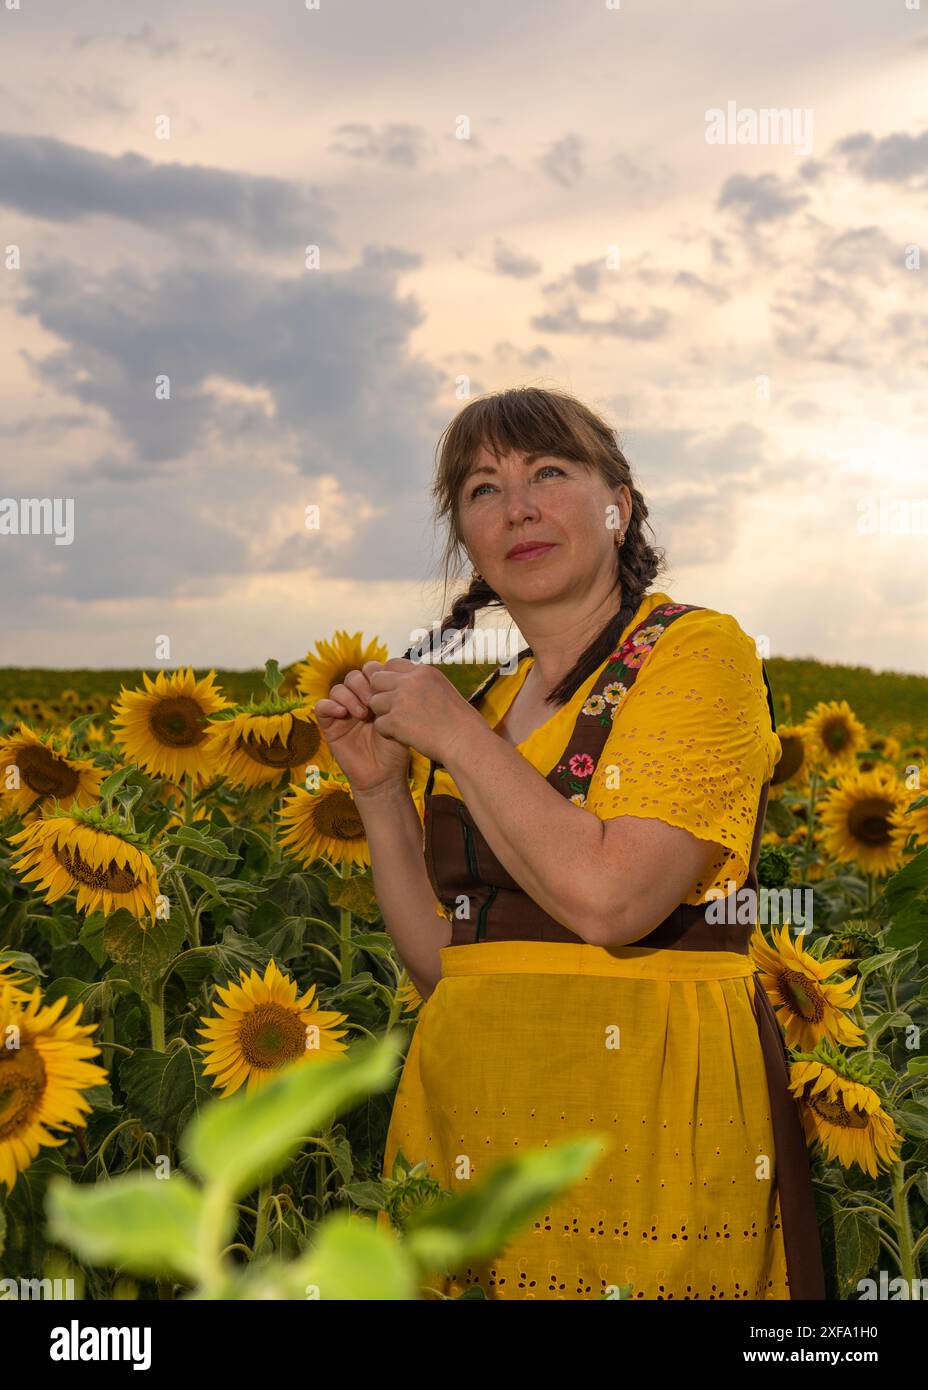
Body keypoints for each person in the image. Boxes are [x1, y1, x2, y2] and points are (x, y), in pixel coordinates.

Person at [314, 385, 826, 1301]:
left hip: (642, 1129)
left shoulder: (694, 655)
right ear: (465, 539)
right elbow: (449, 969)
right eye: (482, 490)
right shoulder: (494, 704)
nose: (517, 508)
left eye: (548, 472)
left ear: (617, 505)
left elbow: (612, 900)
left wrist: (456, 740)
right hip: (468, 1131)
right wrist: (384, 792)